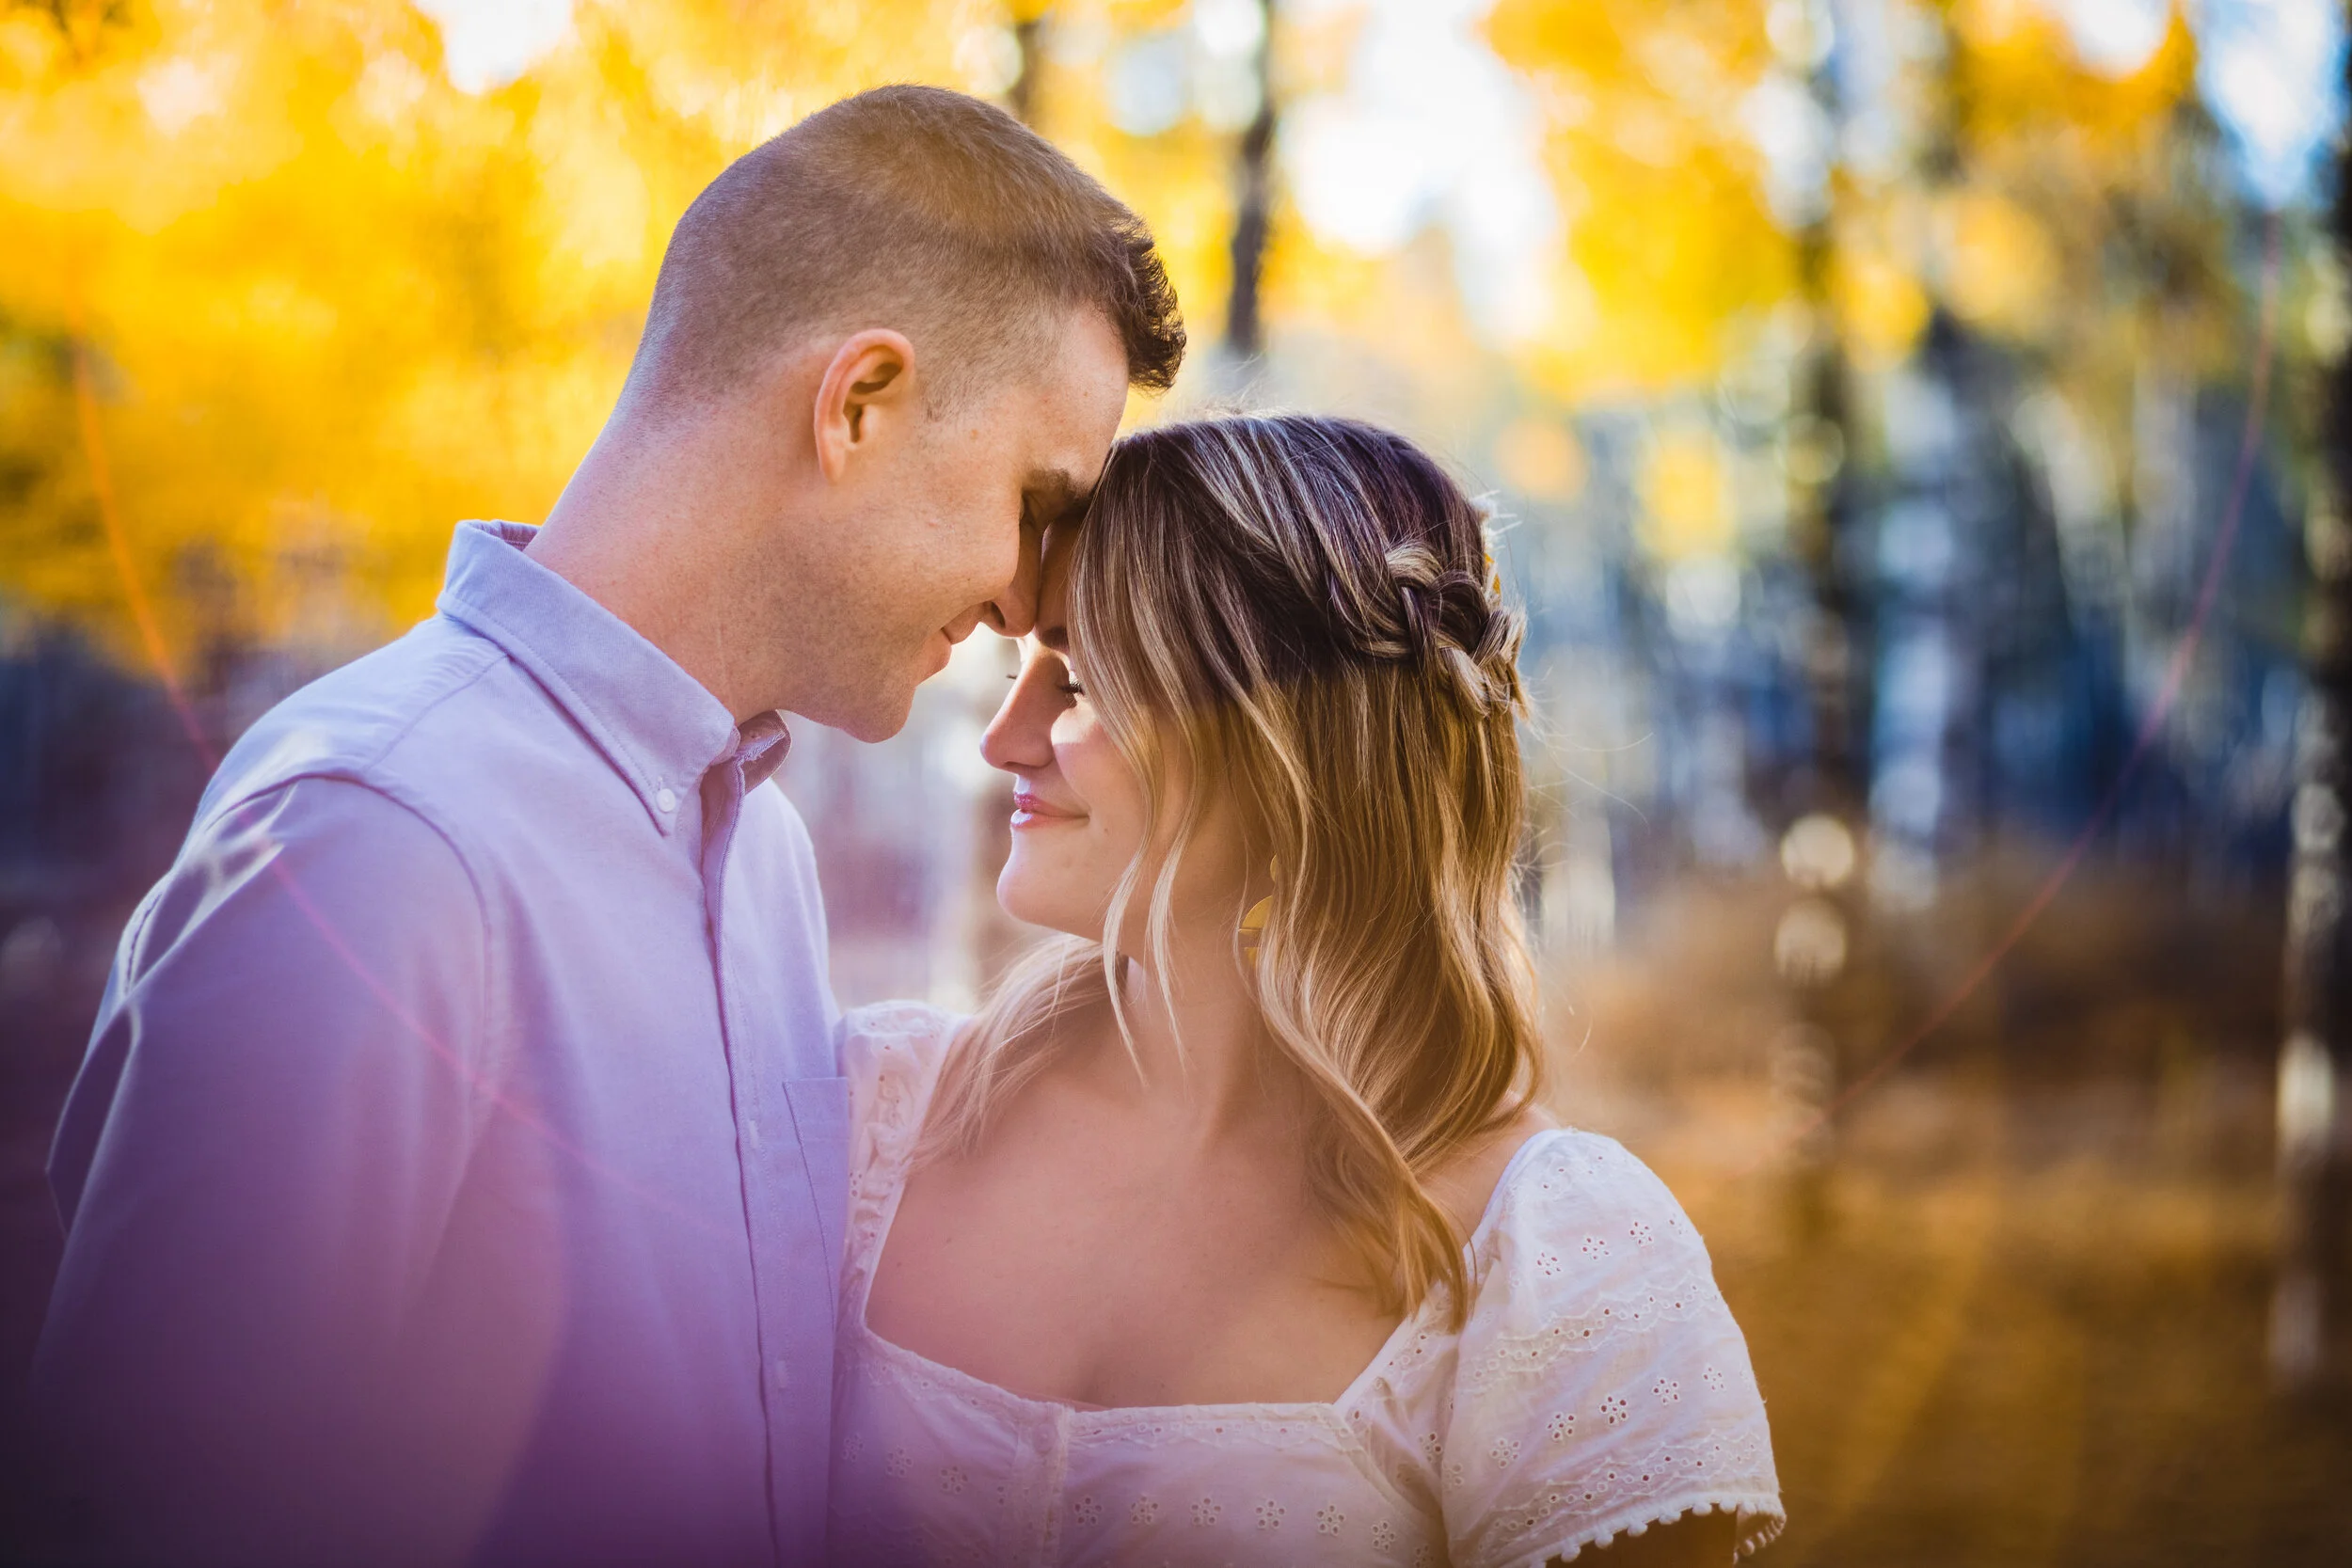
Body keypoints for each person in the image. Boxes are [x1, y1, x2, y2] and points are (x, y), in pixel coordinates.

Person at [33, 86, 1183, 1567]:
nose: (1033, 593)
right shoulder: (376, 840)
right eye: (1036, 501)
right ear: (859, 404)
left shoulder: (757, 853)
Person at [828, 415, 1784, 1567]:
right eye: (1020, 671)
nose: (1003, 738)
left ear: (1293, 744)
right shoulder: (872, 1113)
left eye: (1080, 680)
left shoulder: (1551, 1259)